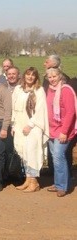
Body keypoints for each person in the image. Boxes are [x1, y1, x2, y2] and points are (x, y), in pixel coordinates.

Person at [11, 67, 48, 193]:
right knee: (24, 153)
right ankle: (28, 180)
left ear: (36, 77)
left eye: (33, 75)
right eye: (28, 74)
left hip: (33, 127)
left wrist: (30, 125)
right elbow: (14, 108)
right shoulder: (18, 89)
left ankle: (34, 182)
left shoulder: (39, 90)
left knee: (32, 153)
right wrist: (13, 125)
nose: (30, 77)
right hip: (20, 125)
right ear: (24, 76)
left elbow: (41, 110)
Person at [45, 68, 76, 197]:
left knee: (58, 157)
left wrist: (64, 132)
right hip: (52, 129)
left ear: (60, 76)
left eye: (54, 76)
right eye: (49, 77)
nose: (52, 79)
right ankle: (61, 182)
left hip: (64, 130)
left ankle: (62, 186)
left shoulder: (66, 90)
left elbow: (70, 113)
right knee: (56, 157)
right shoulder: (50, 90)